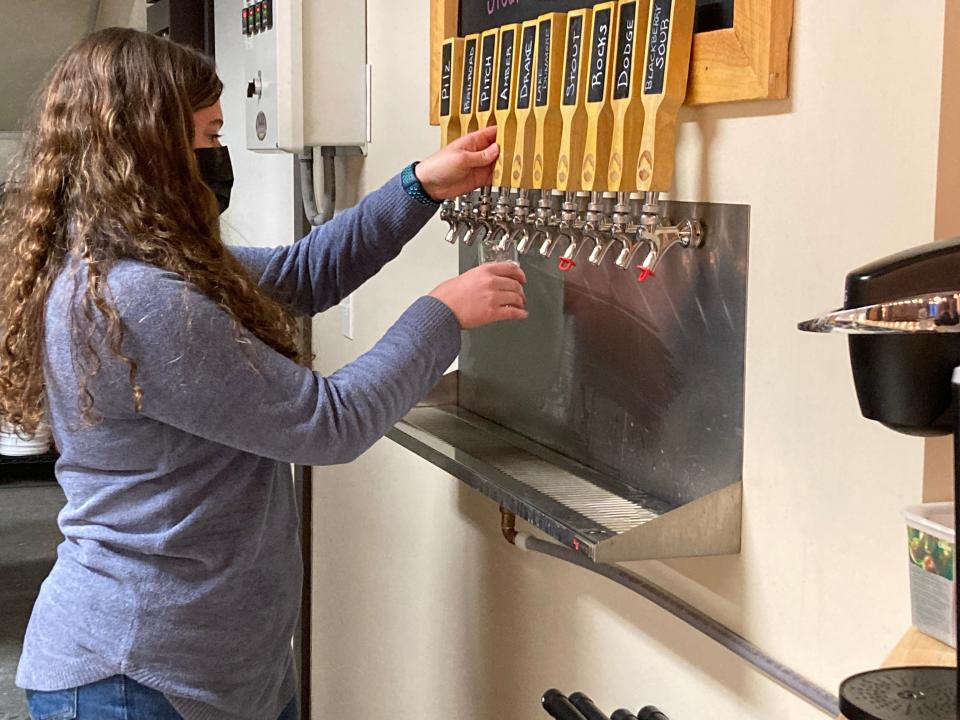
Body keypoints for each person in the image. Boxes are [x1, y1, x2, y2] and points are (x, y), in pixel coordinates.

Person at [0, 28, 527, 720]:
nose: (221, 155)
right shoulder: (138, 301)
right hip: (136, 678)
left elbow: (306, 274)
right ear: (152, 149)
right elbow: (326, 423)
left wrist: (420, 187)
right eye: (211, 135)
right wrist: (441, 314)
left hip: (215, 668)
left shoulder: (140, 270)